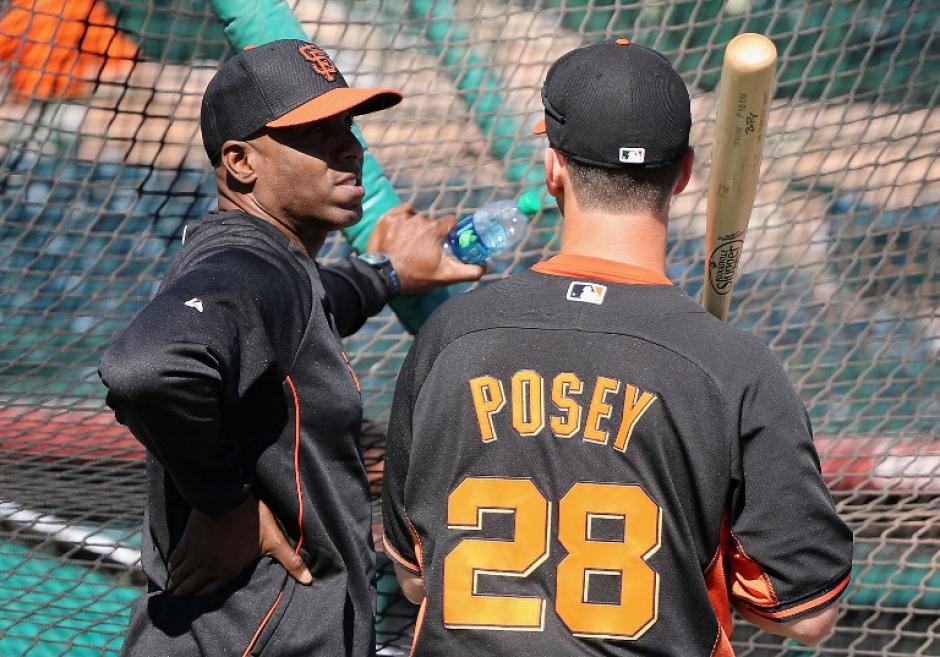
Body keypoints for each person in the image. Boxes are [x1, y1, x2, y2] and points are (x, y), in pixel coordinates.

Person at [382, 39, 853, 657]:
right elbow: (808, 613)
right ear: (683, 173)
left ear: (553, 168)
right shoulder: (734, 368)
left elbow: (417, 578)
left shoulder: (453, 338)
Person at [99, 39, 482, 657]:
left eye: (348, 126)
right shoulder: (249, 263)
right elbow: (145, 367)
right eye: (315, 132)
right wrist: (226, 507)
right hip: (248, 635)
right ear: (241, 162)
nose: (348, 148)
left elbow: (311, 307)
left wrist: (385, 274)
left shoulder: (270, 264)